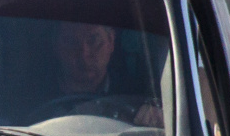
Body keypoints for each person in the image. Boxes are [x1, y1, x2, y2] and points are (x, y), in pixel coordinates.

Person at [31, 21, 160, 127]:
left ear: (111, 42)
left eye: (93, 41)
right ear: (56, 46)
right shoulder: (31, 96)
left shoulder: (138, 95)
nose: (84, 54)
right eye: (71, 42)